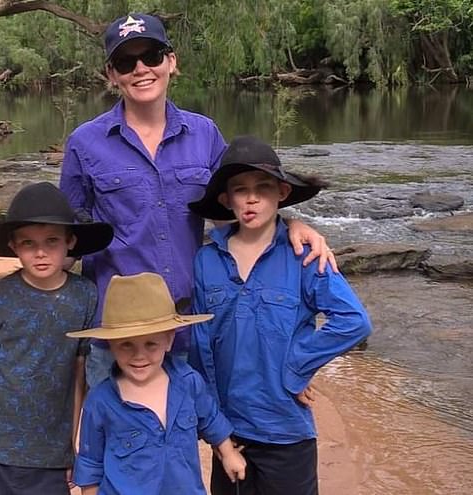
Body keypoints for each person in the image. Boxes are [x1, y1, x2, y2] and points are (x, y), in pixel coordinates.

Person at [59, 12, 337, 388]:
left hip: (191, 324)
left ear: (171, 62)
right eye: (126, 62)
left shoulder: (204, 134)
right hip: (117, 331)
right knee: (117, 439)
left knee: (188, 434)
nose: (141, 69)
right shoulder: (84, 142)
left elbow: (241, 202)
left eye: (152, 57)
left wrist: (290, 226)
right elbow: (68, 235)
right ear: (112, 74)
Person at [187, 135, 372, 495]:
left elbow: (353, 321)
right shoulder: (206, 261)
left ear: (282, 193)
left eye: (263, 187)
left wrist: (296, 369)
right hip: (229, 431)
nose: (252, 197)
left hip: (285, 430)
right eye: (240, 190)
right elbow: (200, 344)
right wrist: (211, 421)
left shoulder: (303, 255)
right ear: (227, 200)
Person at [0, 182, 113, 495]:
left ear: (70, 241)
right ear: (13, 246)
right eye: (28, 243)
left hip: (48, 456)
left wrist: (69, 445)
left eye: (51, 241)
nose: (40, 252)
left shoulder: (85, 296)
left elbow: (78, 378)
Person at [65, 272, 247, 494]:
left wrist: (228, 452)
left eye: (151, 344)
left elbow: (210, 419)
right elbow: (91, 462)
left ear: (169, 340)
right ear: (111, 345)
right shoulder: (100, 401)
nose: (139, 355)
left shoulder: (188, 382)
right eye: (126, 345)